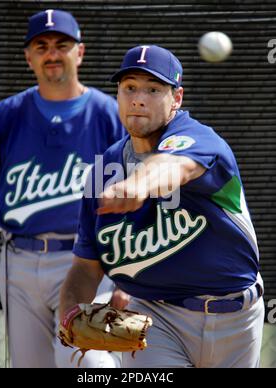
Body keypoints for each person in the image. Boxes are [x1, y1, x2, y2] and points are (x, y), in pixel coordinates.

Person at [59, 45, 265, 368]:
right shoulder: (102, 170)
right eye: (129, 88)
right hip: (157, 318)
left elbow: (175, 166)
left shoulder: (200, 140)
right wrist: (70, 313)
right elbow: (86, 266)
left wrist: (139, 184)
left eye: (153, 89)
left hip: (235, 320)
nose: (138, 99)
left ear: (177, 98)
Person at [0, 9, 127, 368]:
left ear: (80, 52)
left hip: (89, 261)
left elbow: (148, 194)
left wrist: (130, 277)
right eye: (41, 46)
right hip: (19, 262)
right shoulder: (5, 116)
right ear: (29, 57)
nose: (52, 53)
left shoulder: (110, 115)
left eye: (62, 44)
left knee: (90, 364)